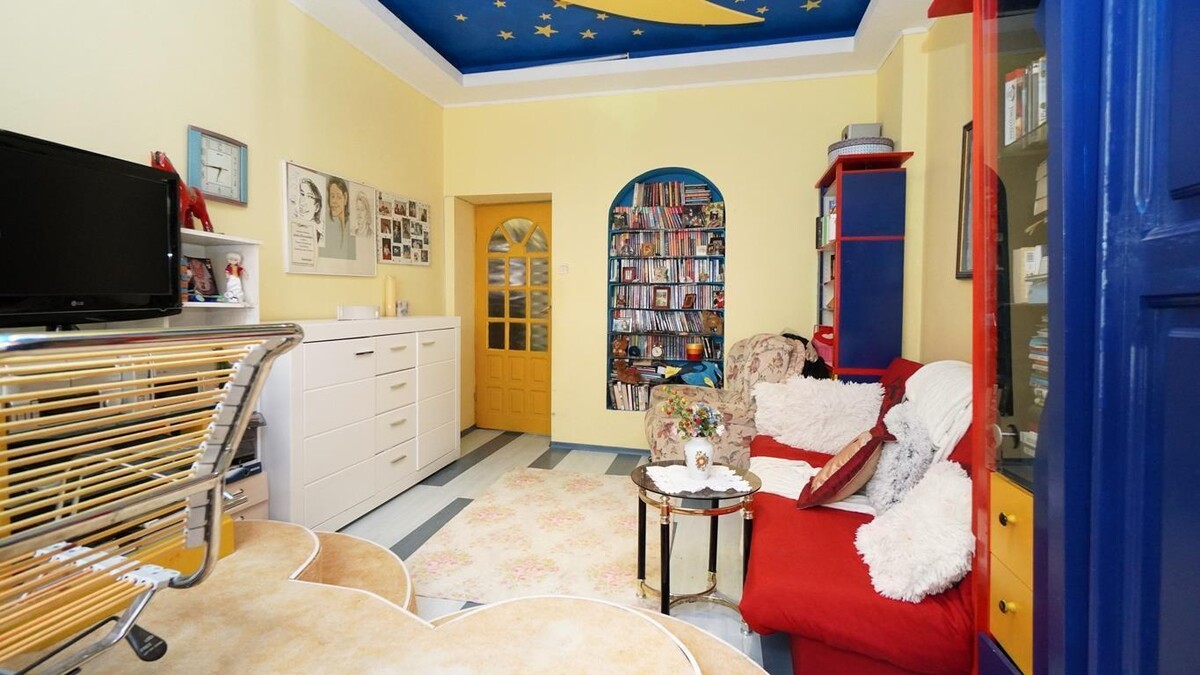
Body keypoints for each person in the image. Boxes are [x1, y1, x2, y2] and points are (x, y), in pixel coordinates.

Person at [319, 177, 355, 260]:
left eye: (338, 197)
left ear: (345, 198)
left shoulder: (351, 228)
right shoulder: (330, 229)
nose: (334, 201)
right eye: (332, 196)